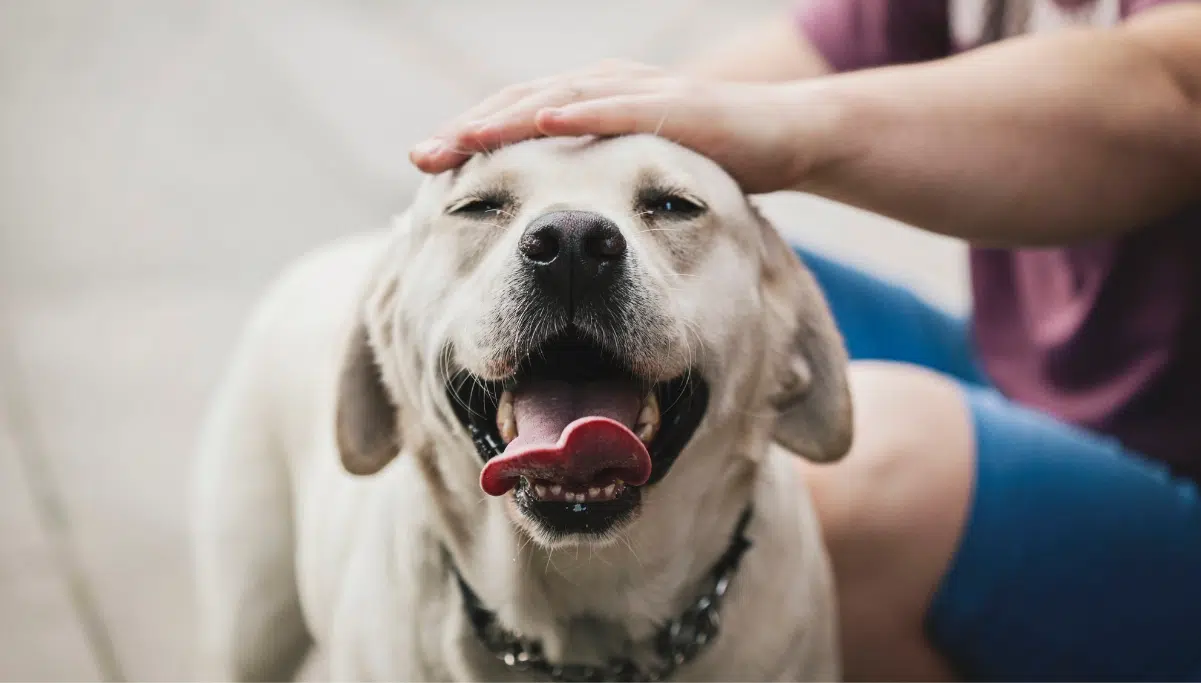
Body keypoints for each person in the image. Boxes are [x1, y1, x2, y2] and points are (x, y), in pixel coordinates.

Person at [409, 1, 1201, 680]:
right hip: (1021, 374)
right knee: (712, 273)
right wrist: (555, 164)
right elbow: (730, 86)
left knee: (872, 466)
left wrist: (790, 131)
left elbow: (1177, 87)